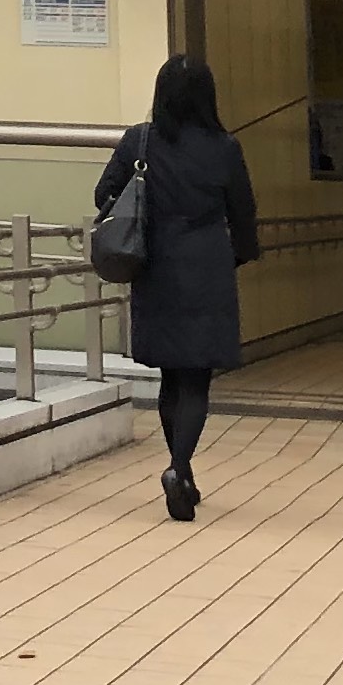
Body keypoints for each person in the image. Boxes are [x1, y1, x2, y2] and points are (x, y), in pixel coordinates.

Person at [94, 53, 262, 523]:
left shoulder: (140, 141)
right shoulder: (224, 147)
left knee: (171, 374)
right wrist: (241, 254)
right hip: (207, 264)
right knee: (196, 377)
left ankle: (181, 472)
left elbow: (103, 194)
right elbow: (243, 210)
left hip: (156, 263)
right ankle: (179, 468)